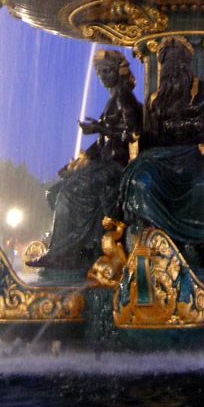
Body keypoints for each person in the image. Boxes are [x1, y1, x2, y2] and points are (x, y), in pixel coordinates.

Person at [118, 37, 204, 255]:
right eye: (167, 62)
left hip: (197, 154)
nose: (172, 66)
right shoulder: (156, 100)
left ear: (187, 62)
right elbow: (151, 137)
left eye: (177, 59)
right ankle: (149, 237)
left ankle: (199, 243)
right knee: (139, 179)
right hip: (164, 157)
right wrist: (131, 140)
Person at [31, 50, 142, 271]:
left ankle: (64, 255)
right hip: (103, 164)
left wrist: (99, 128)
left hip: (117, 168)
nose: (102, 77)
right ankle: (74, 250)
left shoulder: (123, 97)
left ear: (119, 71)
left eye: (106, 71)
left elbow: (134, 132)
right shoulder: (113, 99)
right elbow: (103, 142)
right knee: (55, 193)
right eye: (99, 73)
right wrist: (80, 161)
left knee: (69, 195)